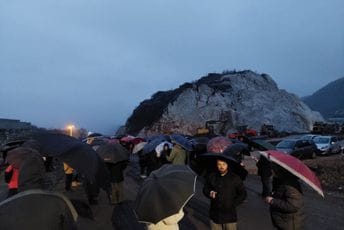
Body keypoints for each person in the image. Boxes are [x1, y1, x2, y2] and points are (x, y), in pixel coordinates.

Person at [203, 159, 247, 230]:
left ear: (227, 165)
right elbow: (205, 189)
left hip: (229, 216)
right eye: (219, 164)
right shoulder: (212, 176)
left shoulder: (234, 178)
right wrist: (209, 192)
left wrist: (233, 204)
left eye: (224, 164)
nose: (221, 166)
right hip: (215, 214)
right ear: (216, 165)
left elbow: (243, 193)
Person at [265, 165, 304, 230]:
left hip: (289, 224)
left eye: (274, 169)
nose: (271, 171)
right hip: (283, 221)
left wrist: (272, 201)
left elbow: (292, 206)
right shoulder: (281, 181)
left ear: (281, 171)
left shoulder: (290, 185)